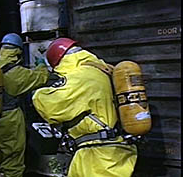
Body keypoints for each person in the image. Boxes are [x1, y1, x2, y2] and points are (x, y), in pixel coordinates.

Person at [32, 37, 138, 177]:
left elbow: (51, 105)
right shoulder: (103, 70)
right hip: (110, 151)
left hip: (98, 155)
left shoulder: (82, 77)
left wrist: (37, 92)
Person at [0, 33, 49, 177]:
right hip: (10, 120)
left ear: (1, 50)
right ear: (18, 53)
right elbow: (41, 78)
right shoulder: (19, 73)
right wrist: (41, 65)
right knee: (12, 163)